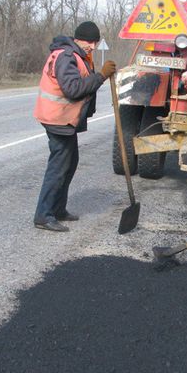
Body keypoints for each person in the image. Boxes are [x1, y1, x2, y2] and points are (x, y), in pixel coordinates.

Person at [33, 21, 116, 232]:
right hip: (57, 118)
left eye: (95, 43)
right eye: (90, 42)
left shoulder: (75, 55)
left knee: (69, 163)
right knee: (59, 167)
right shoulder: (67, 56)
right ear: (79, 39)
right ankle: (44, 215)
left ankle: (58, 209)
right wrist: (101, 76)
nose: (93, 47)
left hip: (63, 119)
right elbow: (73, 89)